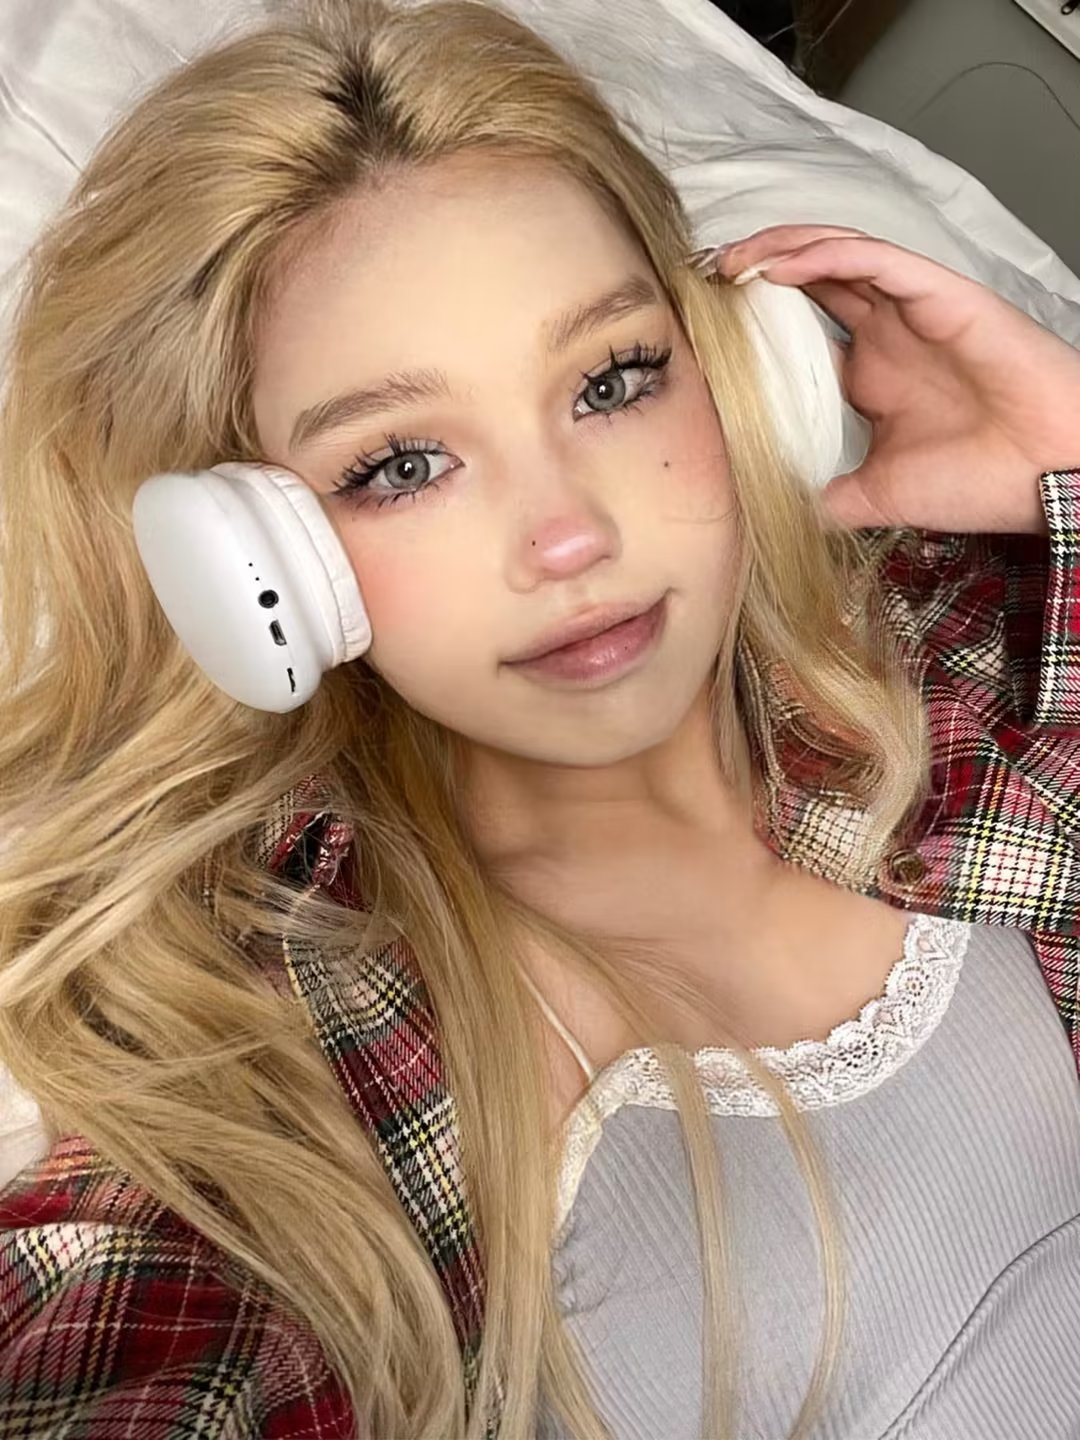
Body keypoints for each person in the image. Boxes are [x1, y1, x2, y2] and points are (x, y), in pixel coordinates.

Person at [1, 1, 1079, 1436]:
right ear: (255, 566)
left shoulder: (975, 646)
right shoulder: (277, 1080)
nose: (569, 535)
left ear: (742, 373)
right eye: (401, 463)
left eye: (611, 382)